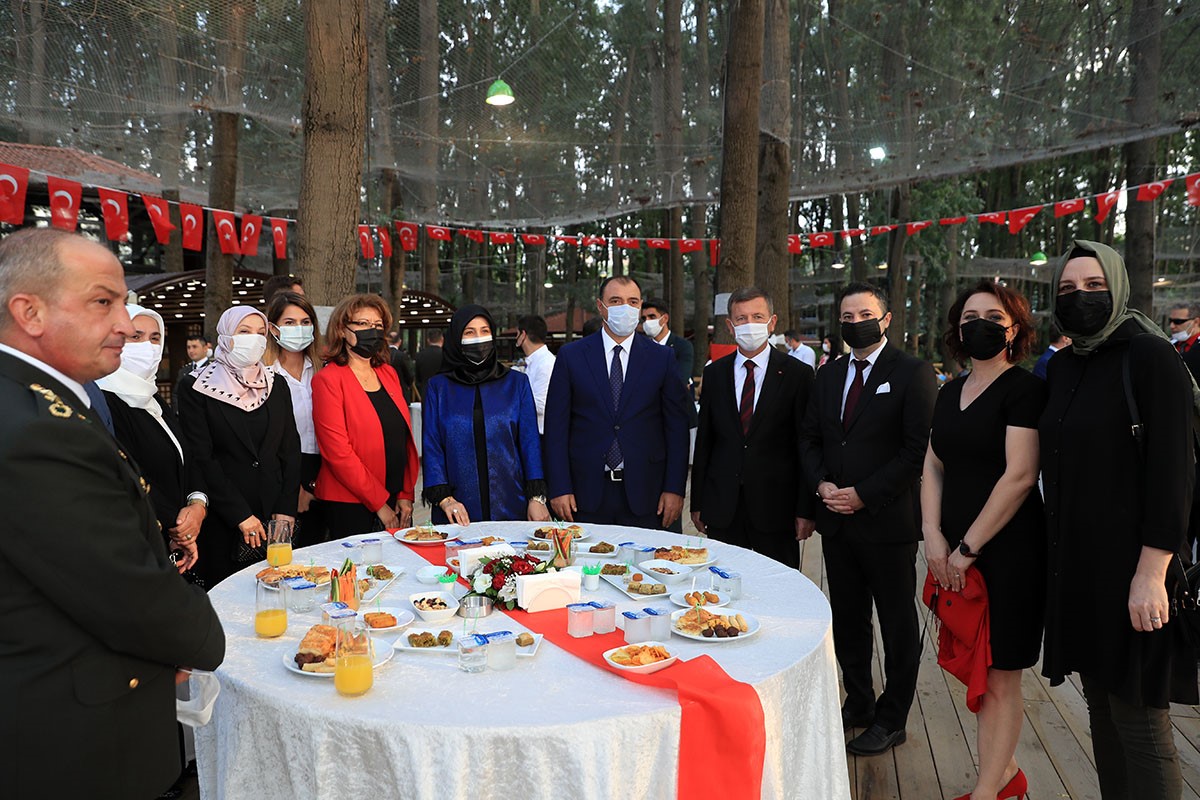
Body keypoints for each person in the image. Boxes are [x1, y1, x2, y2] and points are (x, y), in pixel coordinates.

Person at [0, 228, 224, 799]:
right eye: (103, 302)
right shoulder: (35, 427)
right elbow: (123, 587)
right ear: (29, 312)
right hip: (70, 741)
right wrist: (195, 638)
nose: (124, 324)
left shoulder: (42, 400)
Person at [1041, 240, 1197, 799]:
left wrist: (1151, 573)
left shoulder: (1149, 356)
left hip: (1136, 568)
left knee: (1139, 718)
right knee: (1101, 706)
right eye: (1066, 288)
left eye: (1093, 286)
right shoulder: (1065, 366)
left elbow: (1174, 473)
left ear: (1118, 287)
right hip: (1077, 567)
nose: (1079, 297)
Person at [799, 280, 937, 756]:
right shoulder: (828, 374)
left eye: (864, 315)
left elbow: (915, 451)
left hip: (887, 522)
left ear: (886, 319)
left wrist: (863, 495)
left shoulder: (913, 373)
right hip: (837, 522)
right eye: (847, 317)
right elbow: (811, 437)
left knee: (897, 624)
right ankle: (857, 701)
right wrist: (821, 485)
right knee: (848, 619)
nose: (855, 323)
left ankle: (892, 717)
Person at [921, 280, 1046, 800]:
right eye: (970, 317)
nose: (981, 325)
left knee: (999, 677)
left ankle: (988, 790)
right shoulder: (949, 391)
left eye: (994, 318)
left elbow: (1020, 476)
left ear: (1014, 330)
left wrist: (967, 549)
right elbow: (933, 464)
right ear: (957, 329)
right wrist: (932, 535)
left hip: (1007, 554)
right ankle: (1006, 774)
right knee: (976, 668)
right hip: (950, 550)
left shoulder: (1025, 390)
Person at [544, 276, 690, 530]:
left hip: (647, 493)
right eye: (615, 301)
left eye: (632, 302)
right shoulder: (571, 356)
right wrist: (559, 487)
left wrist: (674, 488)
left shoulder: (662, 358)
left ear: (640, 307)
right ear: (600, 306)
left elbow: (676, 428)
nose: (625, 308)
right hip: (584, 494)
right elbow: (556, 428)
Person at [177, 306, 301, 586]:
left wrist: (286, 509)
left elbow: (290, 450)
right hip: (224, 517)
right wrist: (240, 515)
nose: (253, 339)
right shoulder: (196, 386)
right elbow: (202, 457)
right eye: (244, 331)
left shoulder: (276, 384)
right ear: (225, 336)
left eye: (260, 333)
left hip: (274, 517)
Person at [690, 287, 814, 568]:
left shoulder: (797, 375)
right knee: (723, 582)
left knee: (777, 586)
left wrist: (806, 509)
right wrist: (697, 502)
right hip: (723, 507)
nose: (749, 324)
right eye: (741, 318)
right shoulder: (715, 373)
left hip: (777, 510)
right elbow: (705, 441)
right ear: (729, 326)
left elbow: (805, 444)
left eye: (757, 317)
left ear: (772, 322)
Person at [98, 303, 207, 575]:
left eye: (155, 338)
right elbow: (128, 473)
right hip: (142, 542)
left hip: (181, 537)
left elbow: (186, 456)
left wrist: (198, 504)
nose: (148, 346)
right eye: (136, 337)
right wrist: (179, 526)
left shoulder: (153, 397)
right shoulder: (105, 401)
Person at [423, 304, 549, 525]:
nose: (478, 338)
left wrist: (536, 497)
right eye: (469, 332)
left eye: (484, 331)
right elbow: (432, 446)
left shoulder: (516, 383)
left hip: (511, 502)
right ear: (456, 337)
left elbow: (529, 443)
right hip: (456, 510)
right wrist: (444, 499)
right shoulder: (438, 387)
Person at [311, 294, 418, 535]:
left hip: (396, 497)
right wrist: (379, 504)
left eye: (378, 325)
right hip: (350, 502)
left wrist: (405, 494)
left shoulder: (388, 373)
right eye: (363, 323)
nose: (372, 330)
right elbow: (338, 452)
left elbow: (402, 437)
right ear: (341, 330)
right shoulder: (327, 380)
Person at [265, 290, 325, 546]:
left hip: (327, 470)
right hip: (282, 475)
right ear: (273, 328)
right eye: (289, 322)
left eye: (305, 322)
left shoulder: (324, 370)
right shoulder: (265, 375)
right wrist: (294, 489)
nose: (298, 329)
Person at [641, 298, 698, 429]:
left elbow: (679, 382)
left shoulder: (683, 346)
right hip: (650, 422)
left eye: (652, 316)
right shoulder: (641, 349)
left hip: (681, 418)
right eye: (644, 318)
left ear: (665, 318)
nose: (647, 322)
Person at [516, 314, 555, 434]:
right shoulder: (534, 362)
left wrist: (513, 396)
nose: (516, 338)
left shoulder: (546, 364)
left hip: (540, 434)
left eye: (517, 334)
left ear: (523, 334)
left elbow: (541, 405)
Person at [1166, 302, 1200, 383]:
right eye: (1170, 321)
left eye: (1178, 321)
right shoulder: (1169, 344)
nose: (1172, 326)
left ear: (1196, 321)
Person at [414, 328, 443, 401]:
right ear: (442, 339)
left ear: (428, 340)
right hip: (443, 391)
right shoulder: (446, 355)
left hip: (426, 391)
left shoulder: (420, 355)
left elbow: (418, 377)